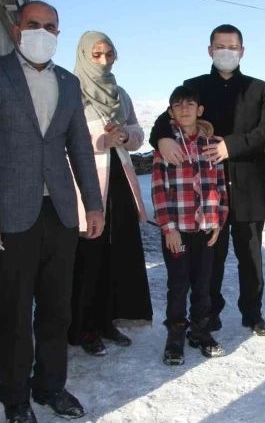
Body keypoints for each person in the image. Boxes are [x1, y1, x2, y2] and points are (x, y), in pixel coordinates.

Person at [0, 1, 103, 423]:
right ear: (17, 29)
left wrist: (93, 204)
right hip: (7, 217)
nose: (42, 31)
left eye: (50, 26)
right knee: (15, 312)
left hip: (59, 213)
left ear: (58, 33)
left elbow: (80, 149)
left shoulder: (69, 83)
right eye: (33, 24)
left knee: (57, 310)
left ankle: (51, 386)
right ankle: (15, 397)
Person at [149, 25, 265, 336]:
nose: (226, 52)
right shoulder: (194, 86)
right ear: (210, 50)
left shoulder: (258, 88)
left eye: (232, 47)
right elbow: (167, 118)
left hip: (247, 184)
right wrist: (161, 138)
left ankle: (252, 312)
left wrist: (230, 146)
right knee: (210, 258)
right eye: (220, 46)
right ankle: (209, 311)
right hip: (205, 191)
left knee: (250, 256)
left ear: (242, 51)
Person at [67, 31, 152, 357]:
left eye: (109, 54)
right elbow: (61, 138)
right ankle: (82, 327)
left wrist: (125, 135)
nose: (104, 61)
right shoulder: (70, 91)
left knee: (116, 253)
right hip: (86, 184)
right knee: (89, 256)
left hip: (119, 182)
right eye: (96, 55)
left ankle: (106, 321)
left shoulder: (120, 93)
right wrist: (100, 141)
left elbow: (138, 133)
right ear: (83, 56)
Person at [151, 86, 228, 365]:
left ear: (200, 110)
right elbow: (159, 188)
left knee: (203, 283)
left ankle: (200, 331)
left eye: (190, 104)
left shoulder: (212, 143)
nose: (184, 109)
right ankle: (175, 335)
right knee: (178, 284)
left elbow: (220, 184)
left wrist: (218, 220)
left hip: (206, 226)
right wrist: (168, 227)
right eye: (178, 105)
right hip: (178, 228)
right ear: (171, 112)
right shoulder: (166, 144)